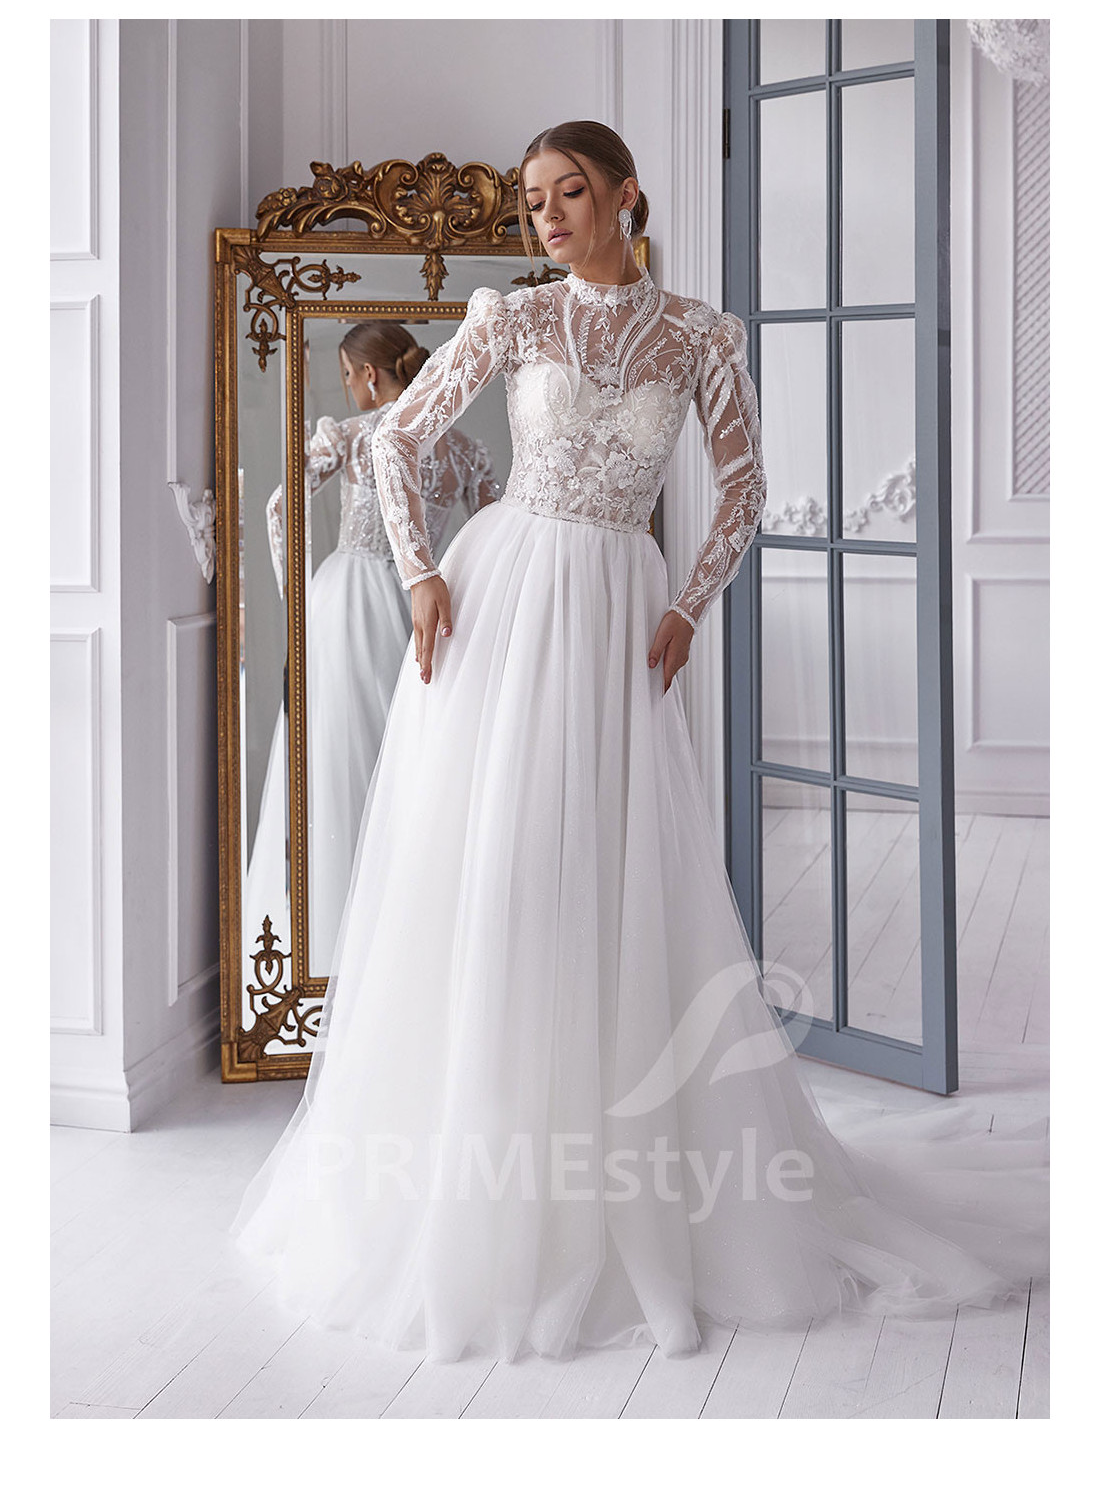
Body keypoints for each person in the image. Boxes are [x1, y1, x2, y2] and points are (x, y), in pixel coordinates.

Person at [229, 121, 1047, 1364]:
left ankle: (622, 1161)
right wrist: (419, 575)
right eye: (532, 200)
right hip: (504, 601)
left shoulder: (700, 337)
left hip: (619, 608)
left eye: (569, 192)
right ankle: (484, 1169)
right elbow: (395, 440)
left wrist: (686, 605)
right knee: (497, 865)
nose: (547, 216)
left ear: (625, 196)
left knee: (611, 871)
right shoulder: (511, 318)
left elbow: (744, 487)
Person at [242, 320, 501, 982]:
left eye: (346, 374)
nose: (345, 386)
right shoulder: (461, 448)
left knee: (334, 758)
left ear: (369, 375)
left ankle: (328, 948)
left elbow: (278, 507)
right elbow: (494, 534)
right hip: (423, 616)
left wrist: (297, 600)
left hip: (348, 604)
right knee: (411, 764)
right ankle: (409, 957)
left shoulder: (355, 435)